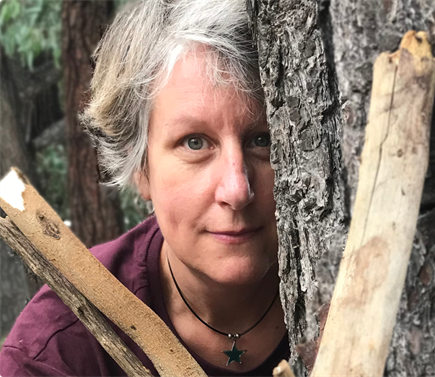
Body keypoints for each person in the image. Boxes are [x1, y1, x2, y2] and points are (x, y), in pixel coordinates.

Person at [0, 0, 289, 376]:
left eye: (262, 140)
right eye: (195, 143)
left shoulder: (353, 280)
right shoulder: (60, 349)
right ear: (139, 167)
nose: (237, 190)